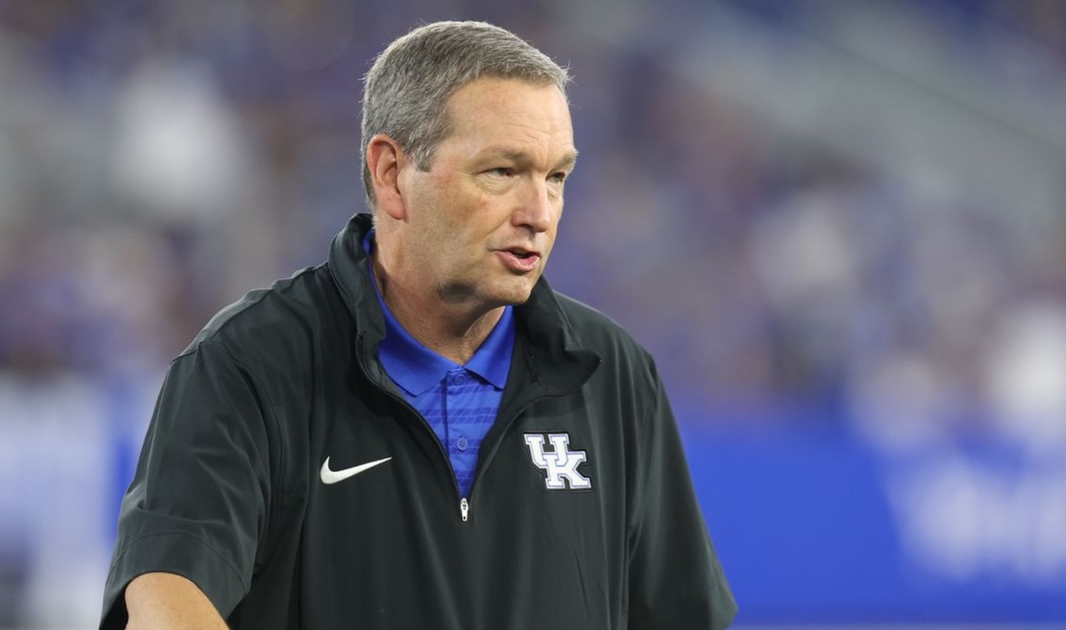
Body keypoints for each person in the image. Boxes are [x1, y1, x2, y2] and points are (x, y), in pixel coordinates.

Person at [100, 20, 736, 630]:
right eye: (502, 172)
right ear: (391, 174)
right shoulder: (251, 364)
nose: (539, 212)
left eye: (557, 177)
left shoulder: (611, 374)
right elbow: (164, 596)